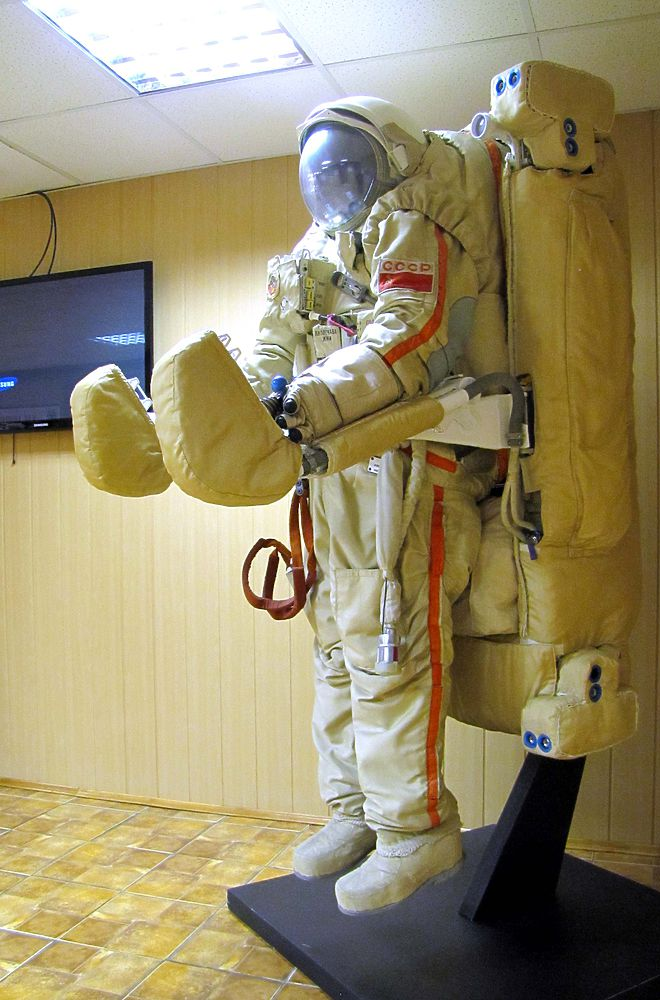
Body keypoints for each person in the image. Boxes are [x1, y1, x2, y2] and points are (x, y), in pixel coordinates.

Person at [241, 96, 506, 913]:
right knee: (334, 646)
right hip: (335, 475)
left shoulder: (415, 225)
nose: (333, 185)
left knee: (389, 644)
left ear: (386, 164)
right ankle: (354, 811)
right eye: (320, 173)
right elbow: (272, 340)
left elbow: (407, 332)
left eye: (347, 169)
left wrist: (309, 402)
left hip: (410, 467)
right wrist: (245, 404)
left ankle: (413, 830)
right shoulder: (313, 252)